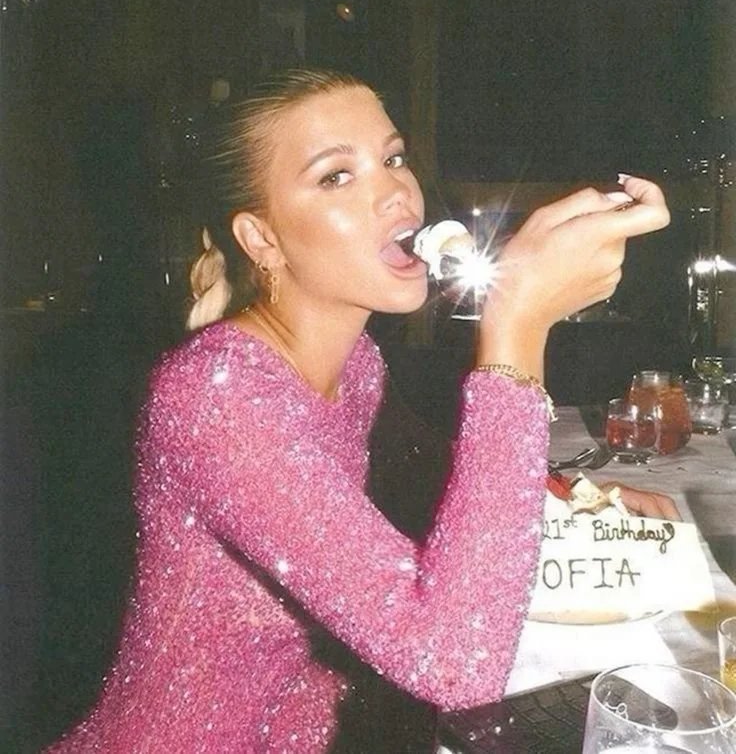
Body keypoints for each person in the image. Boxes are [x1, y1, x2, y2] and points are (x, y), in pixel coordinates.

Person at [46, 69, 677, 753]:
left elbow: (430, 482)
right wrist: (518, 325)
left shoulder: (355, 363)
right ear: (261, 239)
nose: (396, 193)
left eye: (393, 158)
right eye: (336, 176)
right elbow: (455, 664)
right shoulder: (214, 396)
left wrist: (570, 495)